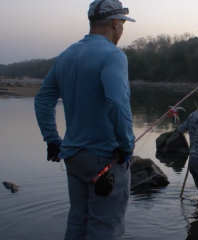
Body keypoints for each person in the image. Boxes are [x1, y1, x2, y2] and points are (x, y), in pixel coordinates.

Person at [34, 1, 135, 239]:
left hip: (73, 157)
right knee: (105, 228)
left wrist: (52, 140)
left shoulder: (66, 55)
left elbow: (42, 100)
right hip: (106, 158)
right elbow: (117, 102)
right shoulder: (113, 55)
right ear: (115, 22)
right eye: (123, 24)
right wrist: (126, 145)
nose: (122, 30)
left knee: (78, 222)